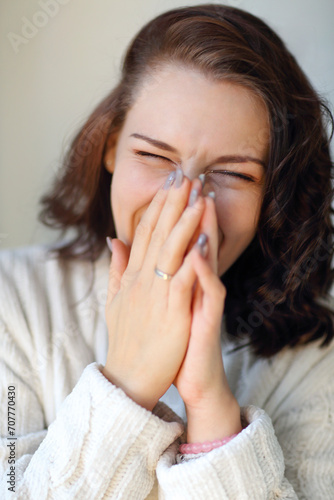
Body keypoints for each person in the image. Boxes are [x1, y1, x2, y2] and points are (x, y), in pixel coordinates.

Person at [1, 3, 333, 498]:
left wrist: (212, 410)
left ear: (272, 194)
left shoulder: (315, 360)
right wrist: (129, 383)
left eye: (235, 174)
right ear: (111, 147)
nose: (186, 200)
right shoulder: (13, 302)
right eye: (154, 156)